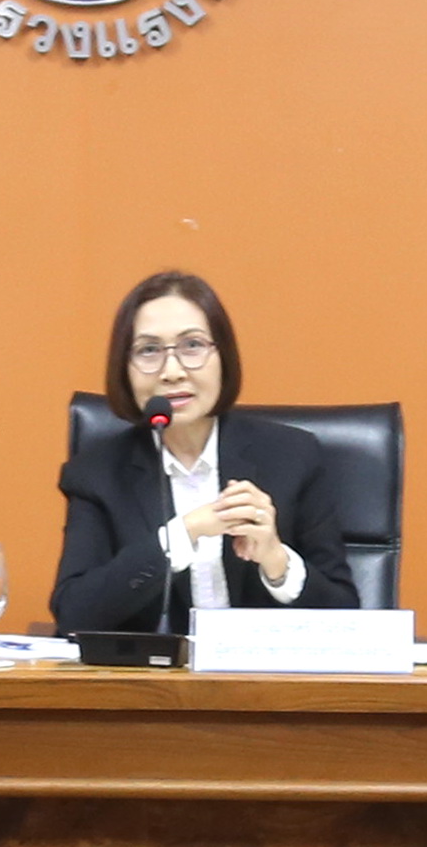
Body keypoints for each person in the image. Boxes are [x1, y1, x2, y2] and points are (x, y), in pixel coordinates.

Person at [47, 268, 358, 635]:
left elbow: (347, 619)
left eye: (192, 345)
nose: (172, 371)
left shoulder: (292, 457)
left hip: (262, 670)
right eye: (149, 350)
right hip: (153, 673)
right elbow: (74, 614)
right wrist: (184, 533)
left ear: (223, 355)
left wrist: (276, 560)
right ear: (124, 369)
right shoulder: (97, 472)